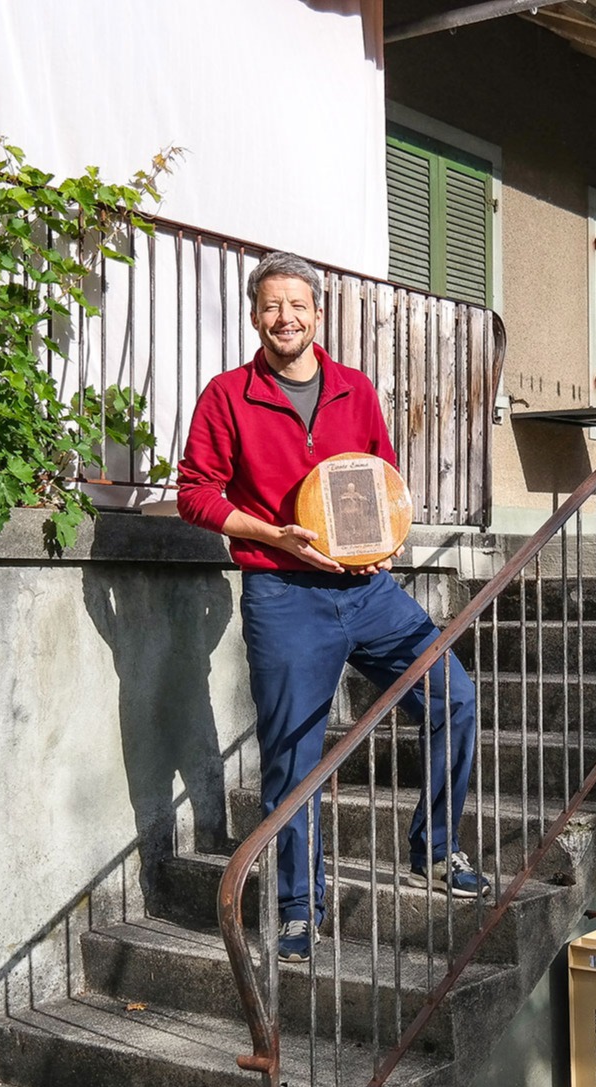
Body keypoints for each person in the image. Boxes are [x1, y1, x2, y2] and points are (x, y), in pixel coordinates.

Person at [175, 251, 487, 963]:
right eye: (269, 306)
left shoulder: (353, 389)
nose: (283, 317)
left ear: (317, 315)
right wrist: (270, 534)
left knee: (453, 696)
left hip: (367, 590)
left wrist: (382, 543)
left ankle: (435, 848)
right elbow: (197, 492)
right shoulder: (227, 396)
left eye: (296, 305)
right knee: (294, 756)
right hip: (283, 595)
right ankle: (296, 907)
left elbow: (380, 476)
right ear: (255, 316)